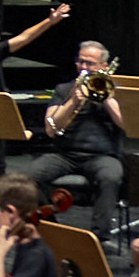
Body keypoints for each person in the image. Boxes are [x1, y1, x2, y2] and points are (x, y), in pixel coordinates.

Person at [10, 39, 128, 248]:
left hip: (102, 156)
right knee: (26, 178)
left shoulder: (116, 92)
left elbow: (127, 125)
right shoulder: (64, 89)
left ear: (103, 66)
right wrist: (73, 101)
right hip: (64, 154)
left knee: (110, 176)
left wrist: (107, 97)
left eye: (90, 64)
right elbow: (50, 128)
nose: (84, 67)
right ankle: (50, 227)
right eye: (81, 62)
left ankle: (99, 238)